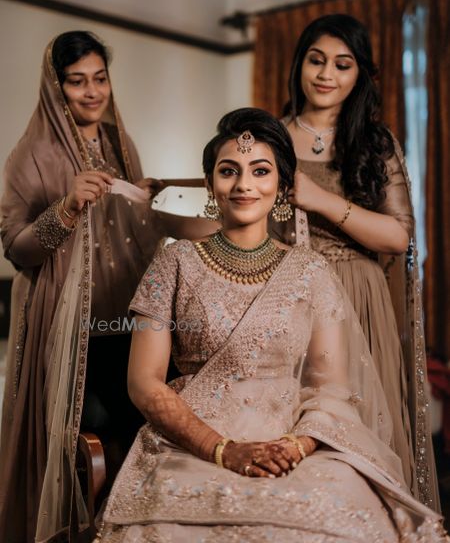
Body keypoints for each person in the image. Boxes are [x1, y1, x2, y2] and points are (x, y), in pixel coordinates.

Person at [97, 107, 446, 542]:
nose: (244, 185)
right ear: (209, 184)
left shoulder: (311, 272)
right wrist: (223, 450)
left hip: (296, 447)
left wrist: (295, 446)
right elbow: (145, 384)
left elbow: (332, 388)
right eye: (229, 171)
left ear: (282, 186)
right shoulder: (173, 263)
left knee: (348, 518)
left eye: (260, 171)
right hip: (193, 445)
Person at [0, 31, 216, 543]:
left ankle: (135, 528)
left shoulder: (121, 144)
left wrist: (153, 196)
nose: (92, 92)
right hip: (71, 329)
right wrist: (68, 207)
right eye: (77, 82)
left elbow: (136, 229)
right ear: (56, 88)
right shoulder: (30, 155)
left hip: (129, 320)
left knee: (151, 421)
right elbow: (17, 247)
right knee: (102, 430)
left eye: (100, 78)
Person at [269, 14, 438, 509]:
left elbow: (397, 236)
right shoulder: (271, 138)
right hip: (286, 297)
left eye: (342, 65)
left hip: (358, 300)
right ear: (299, 63)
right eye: (316, 60)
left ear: (359, 75)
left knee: (361, 434)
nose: (326, 74)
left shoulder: (375, 143)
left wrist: (319, 200)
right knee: (294, 434)